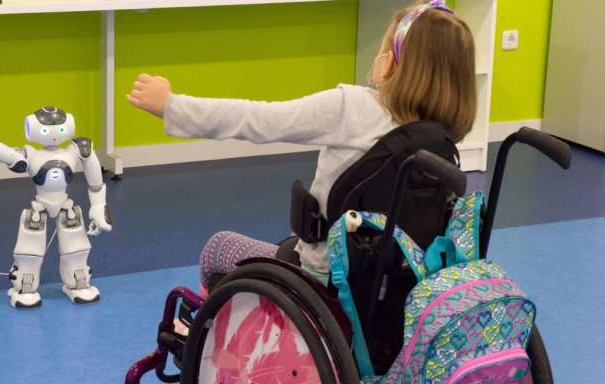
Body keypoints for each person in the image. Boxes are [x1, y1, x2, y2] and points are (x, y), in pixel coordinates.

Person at [126, 0, 476, 297]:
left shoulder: (351, 108)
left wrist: (171, 105)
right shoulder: (442, 137)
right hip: (395, 284)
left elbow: (258, 119)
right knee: (289, 239)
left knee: (218, 248)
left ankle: (215, 344)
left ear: (392, 62)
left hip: (325, 278)